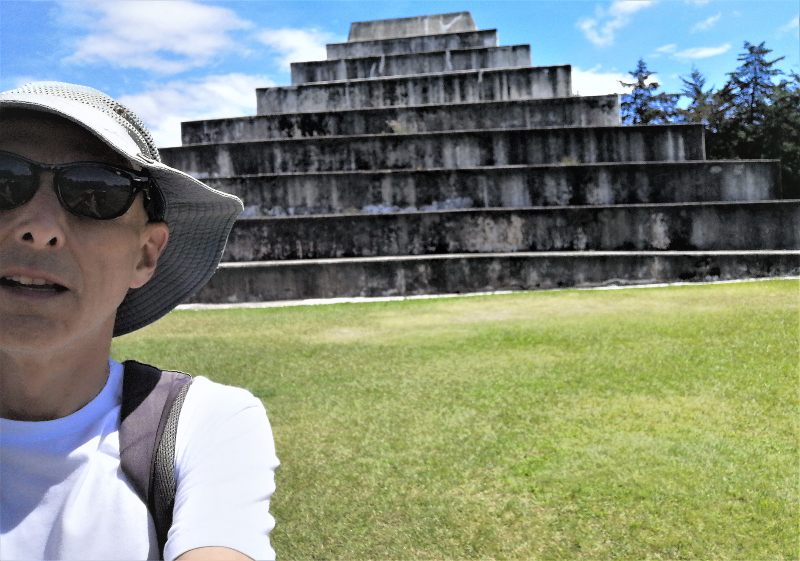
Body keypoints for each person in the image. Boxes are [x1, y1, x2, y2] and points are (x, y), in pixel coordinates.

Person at [0, 82, 279, 560]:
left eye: (95, 193)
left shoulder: (201, 425)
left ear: (146, 254)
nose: (39, 228)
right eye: (3, 181)